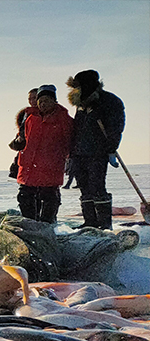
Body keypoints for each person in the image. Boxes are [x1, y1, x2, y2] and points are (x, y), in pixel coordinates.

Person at [67, 70, 125, 230]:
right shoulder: (81, 105)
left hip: (98, 152)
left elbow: (116, 126)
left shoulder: (109, 101)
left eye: (77, 86)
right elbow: (76, 130)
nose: (74, 90)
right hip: (79, 152)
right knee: (84, 188)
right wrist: (71, 154)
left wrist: (111, 149)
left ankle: (104, 225)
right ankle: (90, 222)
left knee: (97, 187)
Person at [15, 85, 73, 223]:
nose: (43, 104)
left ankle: (47, 224)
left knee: (49, 196)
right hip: (29, 164)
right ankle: (29, 223)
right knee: (25, 195)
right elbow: (24, 138)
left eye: (46, 100)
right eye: (40, 101)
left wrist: (68, 158)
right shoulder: (30, 118)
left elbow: (69, 141)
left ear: (54, 101)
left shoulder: (64, 119)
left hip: (50, 165)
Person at [9, 88, 39, 179]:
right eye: (30, 99)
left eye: (34, 98)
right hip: (25, 154)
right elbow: (22, 134)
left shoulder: (43, 114)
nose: (32, 101)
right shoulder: (26, 114)